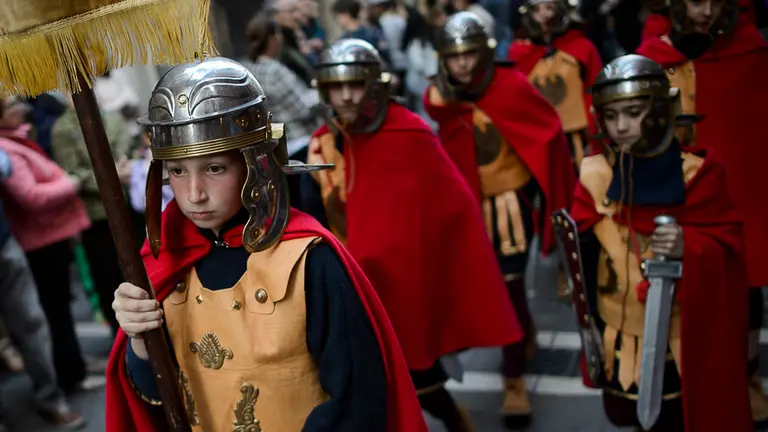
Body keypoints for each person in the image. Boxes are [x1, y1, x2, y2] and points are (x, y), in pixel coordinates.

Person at [104, 57, 426, 432]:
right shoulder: (165, 260)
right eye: (177, 170)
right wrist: (140, 341)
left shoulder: (309, 258)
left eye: (215, 168)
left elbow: (356, 400)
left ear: (254, 162)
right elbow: (158, 396)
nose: (194, 194)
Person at [303, 38, 522, 432]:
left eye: (355, 84)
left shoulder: (408, 131)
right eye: (337, 87)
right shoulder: (321, 145)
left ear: (375, 86)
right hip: (348, 282)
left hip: (404, 280)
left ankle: (457, 418)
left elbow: (451, 207)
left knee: (417, 371)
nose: (347, 96)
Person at [566, 53, 752, 431]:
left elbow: (727, 246)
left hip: (679, 334)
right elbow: (580, 258)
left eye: (633, 113)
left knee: (676, 416)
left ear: (661, 109)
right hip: (618, 328)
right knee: (626, 413)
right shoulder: (594, 175)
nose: (621, 126)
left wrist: (689, 245)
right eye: (611, 115)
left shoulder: (697, 173)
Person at [423, 12, 575, 428]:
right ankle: (520, 336)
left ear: (485, 53)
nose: (462, 65)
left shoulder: (511, 86)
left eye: (469, 55)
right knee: (482, 284)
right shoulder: (441, 100)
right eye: (454, 57)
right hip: (467, 207)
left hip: (511, 204)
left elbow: (546, 133)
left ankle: (513, 378)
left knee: (510, 286)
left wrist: (547, 194)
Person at [635, 0, 768, 424]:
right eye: (695, 1)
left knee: (744, 276)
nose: (706, 10)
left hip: (739, 180)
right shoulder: (655, 53)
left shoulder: (750, 48)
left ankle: (747, 374)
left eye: (715, 0)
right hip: (678, 180)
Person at [0, 107, 86, 429]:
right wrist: (71, 183)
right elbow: (30, 194)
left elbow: (5, 168)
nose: (19, 109)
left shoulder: (9, 146)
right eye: (10, 105)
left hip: (4, 244)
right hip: (25, 240)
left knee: (32, 323)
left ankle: (51, 398)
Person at [52, 94, 134, 336]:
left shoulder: (111, 116)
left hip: (129, 203)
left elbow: (127, 147)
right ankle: (119, 334)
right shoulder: (62, 128)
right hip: (95, 215)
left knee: (140, 264)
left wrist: (126, 166)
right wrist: (110, 178)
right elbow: (72, 174)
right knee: (106, 275)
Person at [508, 0, 603, 172]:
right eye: (536, 9)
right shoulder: (520, 54)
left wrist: (594, 137)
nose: (543, 14)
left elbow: (594, 92)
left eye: (549, 7)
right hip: (540, 139)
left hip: (579, 138)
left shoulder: (581, 48)